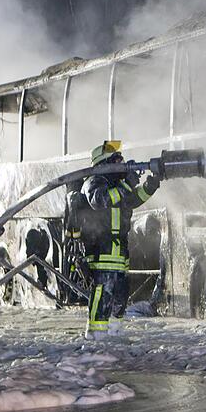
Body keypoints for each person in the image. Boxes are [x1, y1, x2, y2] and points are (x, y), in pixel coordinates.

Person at [74, 140, 160, 339]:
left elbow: (132, 200)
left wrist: (150, 186)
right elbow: (100, 200)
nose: (121, 163)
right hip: (101, 249)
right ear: (104, 163)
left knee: (121, 292)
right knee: (103, 291)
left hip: (118, 249)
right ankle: (96, 334)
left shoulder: (117, 186)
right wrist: (126, 184)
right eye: (116, 160)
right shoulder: (94, 181)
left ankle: (114, 331)